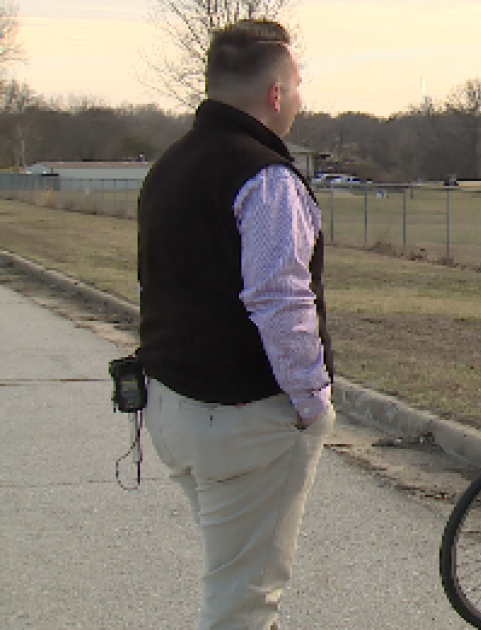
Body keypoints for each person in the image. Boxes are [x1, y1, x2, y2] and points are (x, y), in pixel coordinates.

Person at [137, 19, 334, 630]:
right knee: (243, 601)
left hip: (172, 408)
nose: (300, 97)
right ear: (276, 94)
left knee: (239, 577)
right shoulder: (267, 179)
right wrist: (313, 403)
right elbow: (280, 302)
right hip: (247, 418)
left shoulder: (168, 166)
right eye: (297, 85)